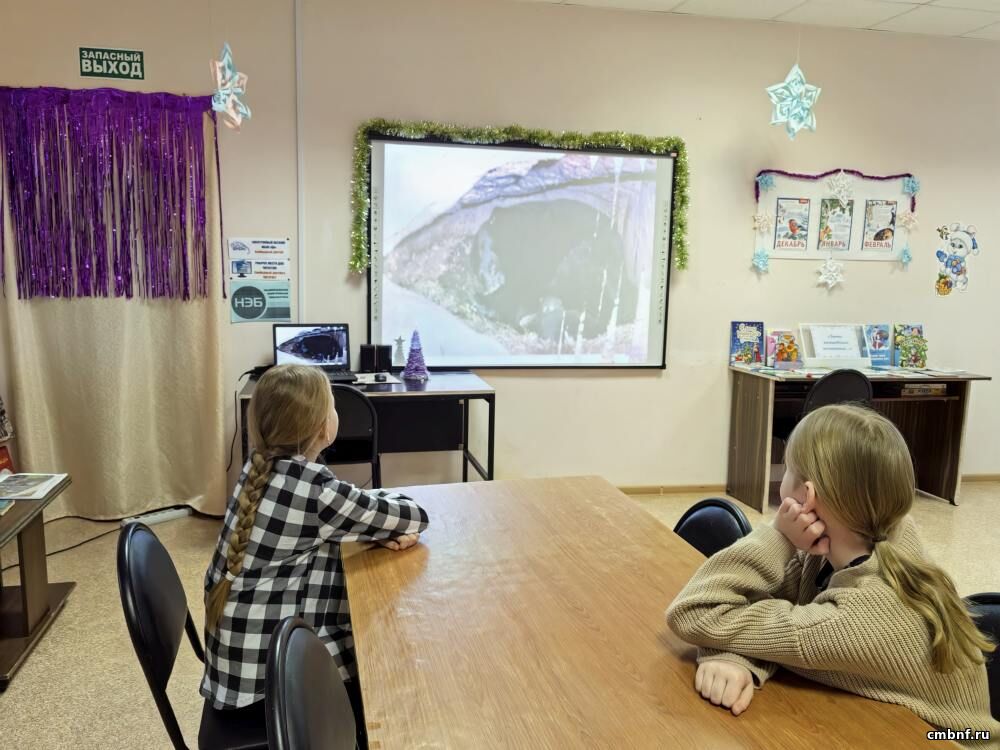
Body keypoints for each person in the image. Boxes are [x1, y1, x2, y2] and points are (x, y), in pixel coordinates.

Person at [666, 405, 998, 747]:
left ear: (806, 497)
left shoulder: (855, 619)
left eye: (787, 469)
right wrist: (734, 656)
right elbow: (764, 605)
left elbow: (697, 611)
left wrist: (778, 535)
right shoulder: (877, 534)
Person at [201, 364, 428, 743]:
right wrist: (384, 526)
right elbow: (414, 516)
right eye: (333, 406)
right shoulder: (314, 490)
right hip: (270, 689)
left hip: (238, 670)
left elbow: (350, 509)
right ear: (324, 427)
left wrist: (372, 525)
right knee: (394, 670)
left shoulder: (259, 469)